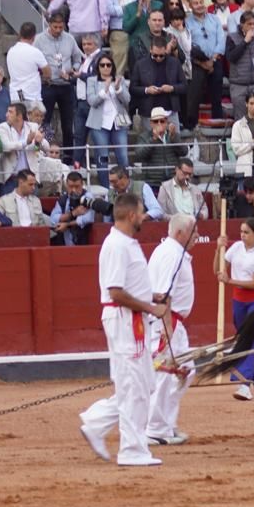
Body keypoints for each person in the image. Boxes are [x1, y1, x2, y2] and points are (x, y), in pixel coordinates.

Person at [79, 192, 169, 467]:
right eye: (142, 212)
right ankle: (131, 449)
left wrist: (150, 296)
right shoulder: (118, 245)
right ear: (131, 215)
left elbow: (126, 287)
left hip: (131, 318)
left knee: (141, 382)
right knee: (134, 385)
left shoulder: (124, 242)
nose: (144, 217)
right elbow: (116, 292)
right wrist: (151, 307)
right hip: (125, 319)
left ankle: (95, 423)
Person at [146, 212, 197, 447]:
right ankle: (156, 428)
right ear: (180, 233)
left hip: (174, 323)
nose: (197, 235)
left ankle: (165, 424)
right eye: (193, 231)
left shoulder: (173, 252)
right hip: (168, 322)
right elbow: (163, 293)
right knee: (166, 374)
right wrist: (167, 327)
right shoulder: (171, 255)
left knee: (185, 371)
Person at [218, 216, 254, 402]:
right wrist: (218, 248)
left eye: (246, 232)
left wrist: (229, 281)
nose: (242, 236)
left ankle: (243, 383)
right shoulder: (235, 248)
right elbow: (217, 271)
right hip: (239, 301)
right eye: (241, 232)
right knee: (245, 338)